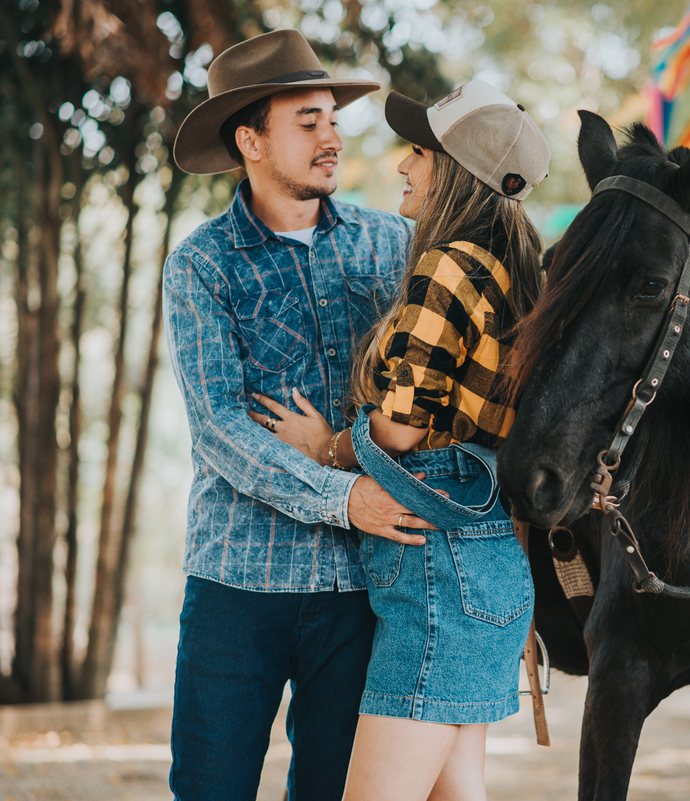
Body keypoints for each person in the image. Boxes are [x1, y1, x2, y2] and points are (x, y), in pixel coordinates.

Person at [252, 79, 549, 800]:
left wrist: (329, 445)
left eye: (419, 151)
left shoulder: (447, 265)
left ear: (454, 170)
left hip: (436, 571)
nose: (403, 165)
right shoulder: (518, 271)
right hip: (490, 564)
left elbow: (400, 425)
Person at [163, 29, 434, 801]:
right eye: (307, 122)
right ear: (250, 139)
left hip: (361, 588)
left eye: (332, 120)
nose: (331, 139)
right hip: (235, 584)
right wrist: (345, 493)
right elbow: (220, 428)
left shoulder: (394, 246)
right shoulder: (202, 263)